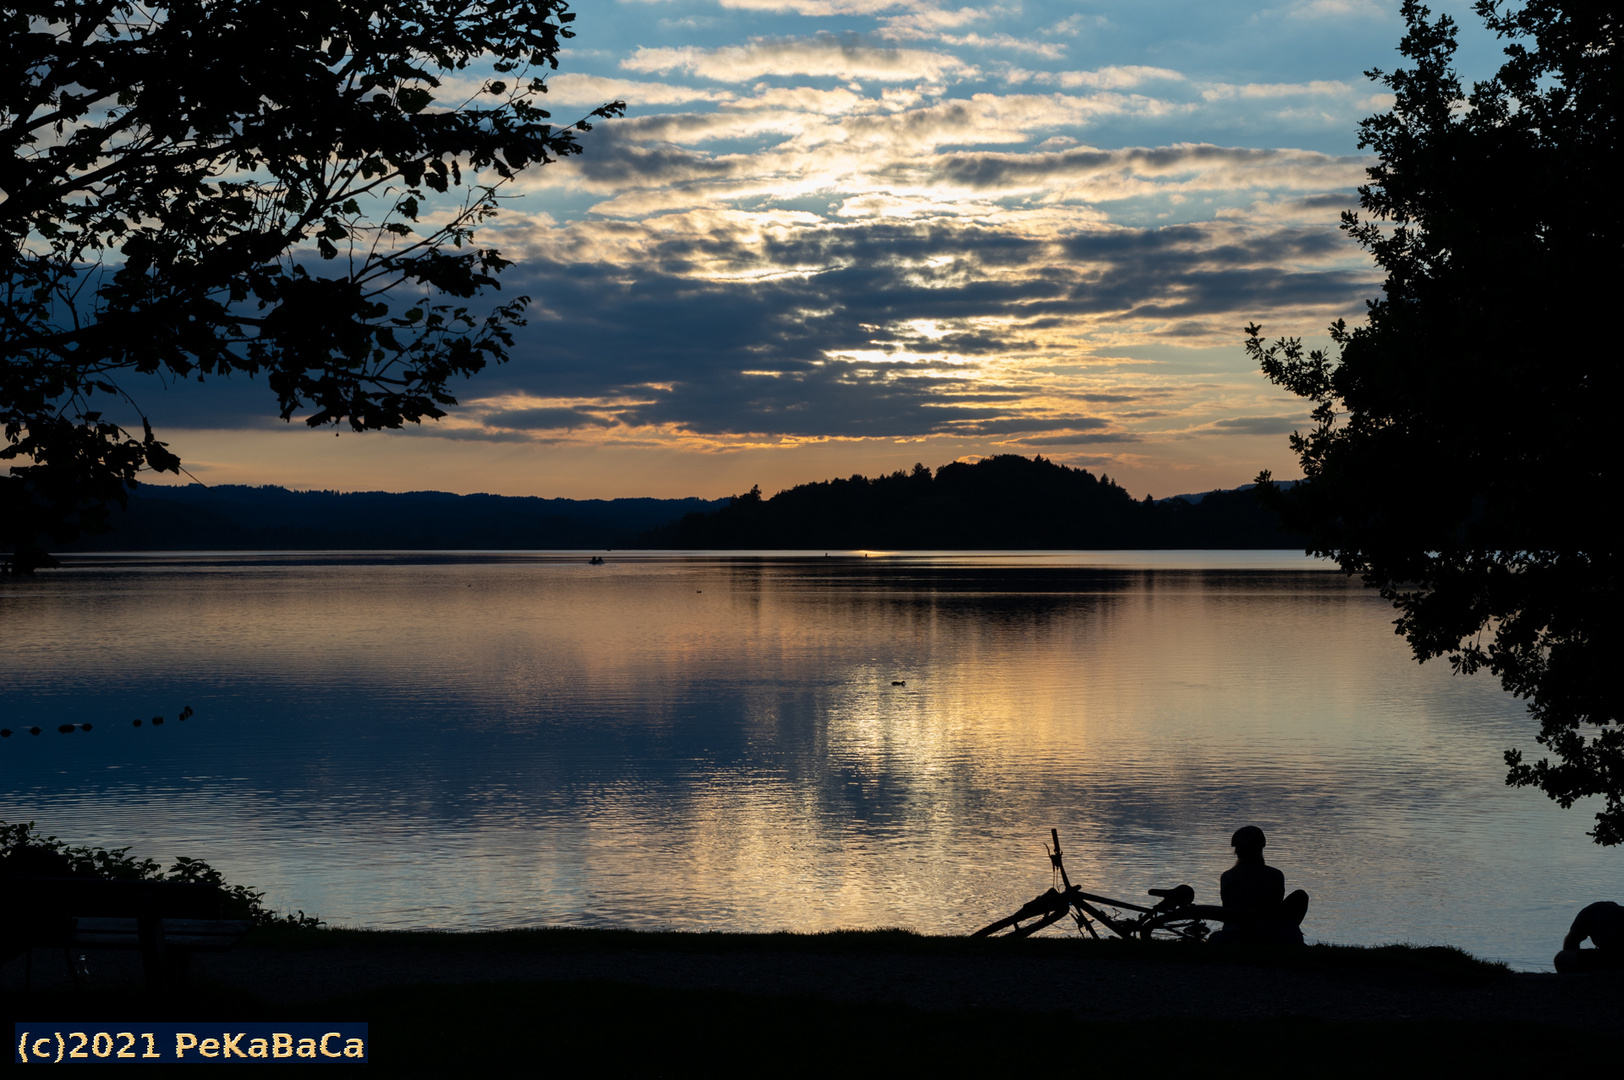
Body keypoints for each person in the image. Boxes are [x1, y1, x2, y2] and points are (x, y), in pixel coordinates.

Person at [1209, 825, 1309, 945]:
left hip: (1236, 932)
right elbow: (1275, 907)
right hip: (1268, 930)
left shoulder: (1227, 876)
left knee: (1215, 937)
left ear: (1237, 851)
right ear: (1260, 848)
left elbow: (1227, 908)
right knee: (1300, 896)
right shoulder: (1275, 875)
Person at [1553, 901, 1624, 973]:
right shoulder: (1618, 912)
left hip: (1613, 958)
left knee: (1562, 958)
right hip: (1616, 957)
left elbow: (1570, 942)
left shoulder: (1589, 911)